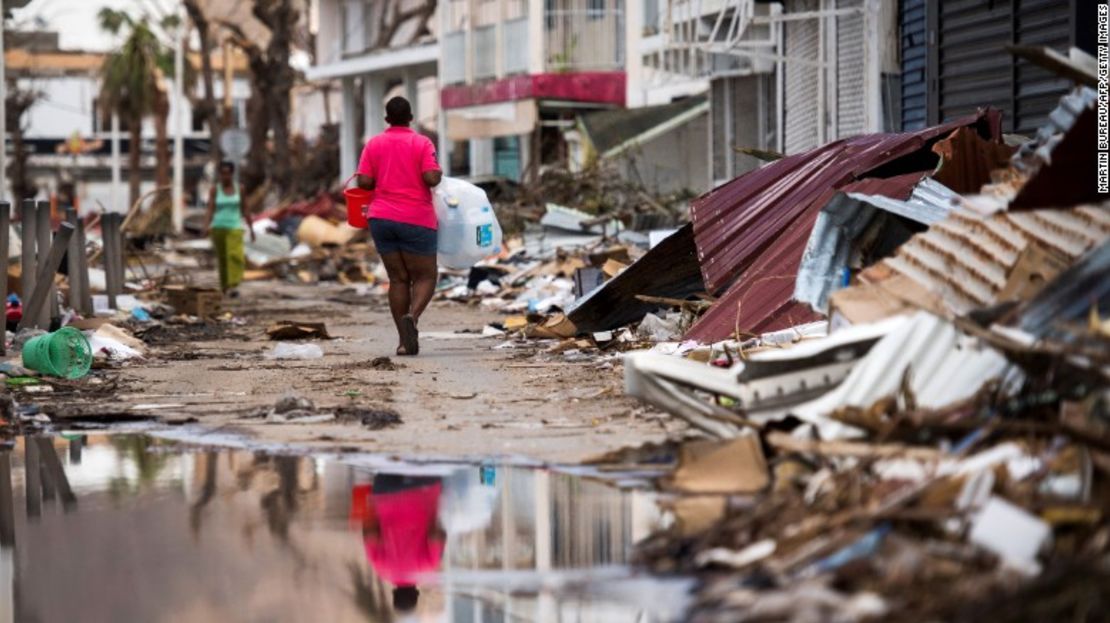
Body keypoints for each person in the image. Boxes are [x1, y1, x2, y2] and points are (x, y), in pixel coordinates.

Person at [356, 96, 443, 356]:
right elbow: (431, 177)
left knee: (398, 278)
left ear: (387, 119)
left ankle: (404, 342)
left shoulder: (374, 144)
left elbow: (364, 182)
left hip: (381, 218)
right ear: (411, 118)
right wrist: (436, 172)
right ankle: (412, 319)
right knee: (426, 275)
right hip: (416, 218)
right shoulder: (421, 142)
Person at [351, 475, 445, 615]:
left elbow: (436, 537)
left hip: (423, 491)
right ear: (394, 593)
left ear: (416, 593)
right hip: (385, 492)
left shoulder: (427, 567)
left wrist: (434, 521)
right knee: (391, 456)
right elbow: (370, 534)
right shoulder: (381, 569)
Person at [204, 161, 255, 297]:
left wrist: (252, 228)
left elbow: (245, 208)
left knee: (235, 256)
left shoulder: (240, 189)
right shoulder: (215, 190)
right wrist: (206, 225)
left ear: (232, 174)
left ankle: (234, 284)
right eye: (223, 174)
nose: (225, 177)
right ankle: (225, 286)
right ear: (219, 175)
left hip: (235, 226)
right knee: (223, 258)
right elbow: (210, 208)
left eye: (228, 174)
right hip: (218, 227)